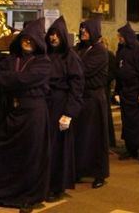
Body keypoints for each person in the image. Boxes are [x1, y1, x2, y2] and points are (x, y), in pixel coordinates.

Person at [0, 18, 51, 212]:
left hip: (32, 113)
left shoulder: (43, 62)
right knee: (4, 152)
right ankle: (3, 193)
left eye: (31, 40)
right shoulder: (13, 58)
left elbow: (24, 79)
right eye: (24, 39)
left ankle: (28, 196)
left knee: (30, 156)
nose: (27, 42)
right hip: (11, 112)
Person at [45, 16, 84, 201]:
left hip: (61, 105)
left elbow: (77, 86)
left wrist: (69, 113)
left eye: (56, 34)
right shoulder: (45, 54)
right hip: (46, 104)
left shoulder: (71, 57)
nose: (53, 38)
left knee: (59, 147)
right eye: (51, 34)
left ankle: (57, 186)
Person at [74, 19, 109, 188]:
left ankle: (99, 173)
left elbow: (83, 70)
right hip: (81, 98)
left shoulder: (100, 51)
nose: (83, 33)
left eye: (86, 30)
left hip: (94, 100)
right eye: (82, 30)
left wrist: (73, 70)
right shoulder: (80, 48)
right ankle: (81, 169)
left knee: (96, 138)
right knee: (81, 138)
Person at [115, 23, 139, 164]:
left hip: (138, 92)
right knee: (128, 123)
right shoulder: (122, 50)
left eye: (120, 36)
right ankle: (130, 148)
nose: (119, 39)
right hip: (126, 92)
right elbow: (119, 72)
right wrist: (117, 91)